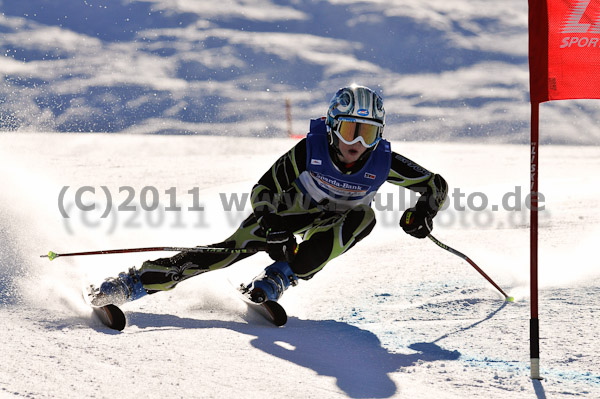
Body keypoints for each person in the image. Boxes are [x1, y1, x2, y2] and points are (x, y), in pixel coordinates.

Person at [90, 85, 448, 307]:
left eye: (368, 134)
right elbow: (264, 189)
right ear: (333, 126)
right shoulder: (311, 150)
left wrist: (422, 213)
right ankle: (136, 281)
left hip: (337, 221)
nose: (357, 144)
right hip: (287, 214)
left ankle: (281, 276)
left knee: (363, 219)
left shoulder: (382, 162)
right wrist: (272, 223)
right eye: (351, 130)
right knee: (225, 254)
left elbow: (435, 185)